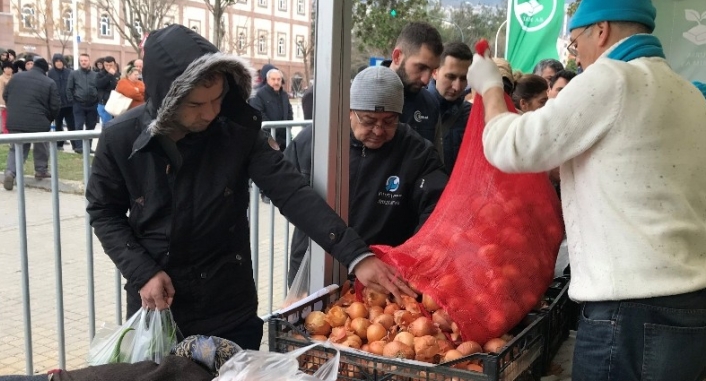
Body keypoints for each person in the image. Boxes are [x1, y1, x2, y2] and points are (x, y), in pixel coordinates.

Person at [85, 24, 414, 351]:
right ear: (167, 102)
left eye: (217, 99)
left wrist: (355, 255)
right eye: (197, 105)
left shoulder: (237, 130)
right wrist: (143, 271)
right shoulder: (120, 138)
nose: (212, 113)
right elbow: (103, 210)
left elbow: (291, 192)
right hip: (159, 304)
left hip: (228, 305)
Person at [468, 0, 706, 381]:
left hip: (628, 312)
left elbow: (512, 147)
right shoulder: (688, 94)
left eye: (575, 41)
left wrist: (490, 87)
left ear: (602, 29)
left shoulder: (612, 78)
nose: (575, 55)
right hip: (689, 307)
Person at [285, 66, 448, 284]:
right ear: (349, 111)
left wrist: (412, 256)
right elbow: (284, 196)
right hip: (314, 267)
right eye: (369, 120)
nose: (379, 130)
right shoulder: (313, 141)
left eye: (389, 121)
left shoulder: (417, 153)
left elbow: (437, 209)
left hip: (382, 276)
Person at [383, 22, 444, 155]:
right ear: (397, 56)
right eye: (420, 67)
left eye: (432, 70)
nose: (426, 80)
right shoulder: (361, 96)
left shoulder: (431, 105)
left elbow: (436, 164)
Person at [3, 58, 60, 190]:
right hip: (39, 121)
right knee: (41, 146)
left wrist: (13, 109)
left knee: (16, 148)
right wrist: (48, 119)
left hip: (15, 120)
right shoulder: (49, 82)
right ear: (45, 69)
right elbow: (55, 105)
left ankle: (11, 172)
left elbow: (6, 95)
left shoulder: (16, 77)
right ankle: (41, 170)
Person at [427, 41, 473, 174]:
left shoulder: (472, 116)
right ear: (435, 72)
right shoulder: (416, 110)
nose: (457, 86)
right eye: (451, 77)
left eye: (464, 78)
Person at [248, 67, 293, 151]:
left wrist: (286, 130)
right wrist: (274, 131)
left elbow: (289, 113)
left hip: (284, 140)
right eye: (273, 79)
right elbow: (259, 115)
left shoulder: (284, 95)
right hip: (267, 140)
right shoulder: (259, 95)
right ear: (268, 80)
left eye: (278, 79)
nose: (276, 82)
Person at [67, 53, 99, 154]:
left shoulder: (95, 75)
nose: (83, 62)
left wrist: (96, 99)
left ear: (89, 61)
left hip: (92, 104)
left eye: (85, 60)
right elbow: (69, 88)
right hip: (78, 104)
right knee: (79, 126)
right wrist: (72, 101)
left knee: (91, 126)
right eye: (81, 61)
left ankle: (88, 146)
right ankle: (79, 147)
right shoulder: (74, 74)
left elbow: (98, 88)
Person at [47, 54, 78, 151]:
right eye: (57, 61)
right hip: (57, 104)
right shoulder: (50, 73)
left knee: (72, 125)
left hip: (69, 104)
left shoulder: (69, 72)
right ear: (54, 63)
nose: (59, 63)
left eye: (61, 61)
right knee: (58, 125)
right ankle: (59, 144)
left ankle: (75, 145)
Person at [96, 56, 120, 124]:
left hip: (116, 103)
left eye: (111, 65)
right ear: (104, 65)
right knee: (107, 124)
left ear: (114, 65)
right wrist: (109, 75)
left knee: (116, 124)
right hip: (105, 103)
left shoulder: (117, 75)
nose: (108, 67)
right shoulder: (99, 74)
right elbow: (99, 85)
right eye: (106, 65)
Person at [0, 61, 13, 134]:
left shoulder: (14, 78)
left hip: (13, 103)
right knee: (5, 121)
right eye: (6, 68)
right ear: (3, 69)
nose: (8, 69)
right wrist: (2, 104)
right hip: (4, 104)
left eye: (10, 68)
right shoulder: (1, 79)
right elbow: (0, 91)